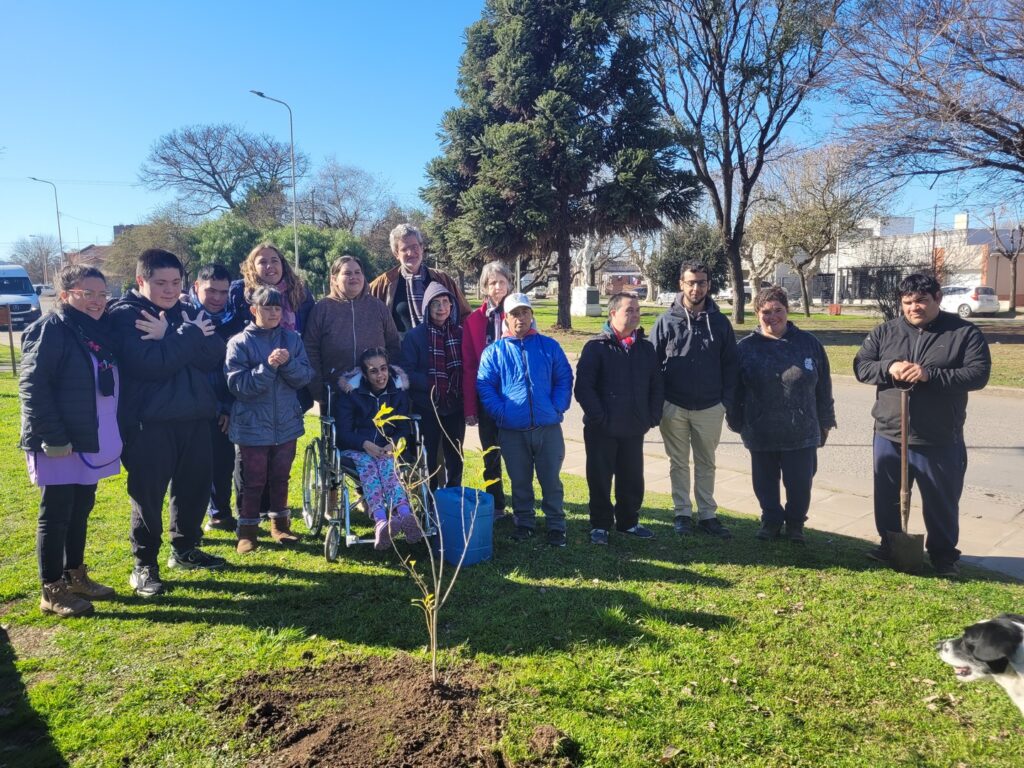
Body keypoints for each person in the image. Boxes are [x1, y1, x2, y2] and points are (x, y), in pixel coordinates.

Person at [853, 273, 991, 577]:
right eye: (907, 302)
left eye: (921, 301)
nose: (914, 307)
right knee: (887, 496)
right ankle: (890, 544)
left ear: (937, 298)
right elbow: (861, 366)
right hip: (889, 432)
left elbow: (978, 375)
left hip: (938, 437)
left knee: (941, 501)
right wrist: (888, 367)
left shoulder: (963, 333)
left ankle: (943, 557)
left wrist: (930, 375)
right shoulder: (885, 332)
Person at [109, 248, 228, 597]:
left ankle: (185, 549)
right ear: (140, 280)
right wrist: (185, 337)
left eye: (176, 282)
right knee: (148, 497)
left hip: (194, 419)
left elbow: (214, 355)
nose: (170, 290)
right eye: (161, 283)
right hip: (150, 423)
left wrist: (171, 337)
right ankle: (144, 564)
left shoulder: (185, 311)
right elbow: (149, 365)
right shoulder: (126, 315)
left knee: (192, 490)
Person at [19, 265, 137, 617]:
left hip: (89, 436)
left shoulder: (94, 331)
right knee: (55, 514)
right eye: (88, 294)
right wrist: (53, 436)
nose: (98, 301)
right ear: (67, 294)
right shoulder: (51, 329)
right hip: (59, 440)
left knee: (81, 509)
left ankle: (75, 576)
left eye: (102, 294)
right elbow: (32, 387)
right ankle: (51, 589)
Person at [727, 287, 836, 543]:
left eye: (778, 310)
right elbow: (735, 390)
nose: (772, 316)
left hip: (802, 429)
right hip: (760, 429)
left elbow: (824, 387)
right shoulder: (745, 348)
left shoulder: (809, 344)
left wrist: (826, 420)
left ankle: (796, 523)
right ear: (757, 314)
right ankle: (771, 520)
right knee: (764, 483)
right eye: (766, 312)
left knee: (800, 484)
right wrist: (737, 421)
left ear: (787, 311)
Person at [476, 293, 574, 547]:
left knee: (550, 479)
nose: (520, 318)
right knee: (519, 480)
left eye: (525, 313)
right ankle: (525, 522)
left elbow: (563, 378)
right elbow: (486, 386)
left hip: (547, 427)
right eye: (515, 314)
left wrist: (557, 406)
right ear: (506, 319)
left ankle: (555, 525)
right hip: (512, 429)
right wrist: (502, 412)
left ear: (532, 315)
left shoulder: (548, 346)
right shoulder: (494, 352)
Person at [651, 261, 738, 539]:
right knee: (678, 462)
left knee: (706, 462)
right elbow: (651, 366)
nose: (696, 287)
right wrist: (659, 402)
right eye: (691, 282)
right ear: (681, 284)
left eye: (701, 282)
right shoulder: (666, 321)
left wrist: (725, 402)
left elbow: (731, 366)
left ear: (708, 285)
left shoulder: (720, 322)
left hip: (711, 407)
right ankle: (682, 513)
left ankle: (708, 514)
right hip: (674, 406)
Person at [225, 287, 313, 553]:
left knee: (280, 477)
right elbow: (238, 386)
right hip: (252, 426)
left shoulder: (292, 339)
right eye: (267, 308)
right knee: (252, 481)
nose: (274, 313)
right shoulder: (238, 343)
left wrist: (287, 364)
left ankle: (281, 527)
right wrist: (269, 366)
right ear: (254, 310)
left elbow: (305, 377)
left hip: (286, 424)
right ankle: (247, 532)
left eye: (278, 308)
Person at [574, 292, 664, 545]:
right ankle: (600, 525)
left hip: (634, 427)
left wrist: (651, 416)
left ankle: (628, 522)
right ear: (613, 313)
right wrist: (600, 417)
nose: (635, 315)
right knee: (600, 478)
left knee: (632, 478)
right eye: (629, 310)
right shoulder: (596, 347)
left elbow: (657, 385)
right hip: (602, 429)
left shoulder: (646, 349)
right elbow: (584, 388)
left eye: (637, 310)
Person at [334, 348, 421, 550]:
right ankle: (381, 520)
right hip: (357, 448)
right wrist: (364, 443)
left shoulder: (397, 392)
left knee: (387, 465)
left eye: (383, 369)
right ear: (364, 374)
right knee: (369, 467)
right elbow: (343, 432)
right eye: (373, 371)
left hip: (386, 448)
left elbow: (403, 427)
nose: (380, 375)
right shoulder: (351, 394)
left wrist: (394, 442)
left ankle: (405, 514)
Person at [189, 264, 247, 533]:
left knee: (222, 463)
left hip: (223, 403)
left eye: (223, 292)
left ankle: (220, 513)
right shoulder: (183, 317)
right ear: (196, 287)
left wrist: (226, 406)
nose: (217, 298)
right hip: (189, 406)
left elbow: (232, 369)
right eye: (210, 290)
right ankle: (188, 523)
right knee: (191, 469)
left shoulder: (235, 321)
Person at [303, 253, 400, 404]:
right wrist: (318, 390)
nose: (353, 277)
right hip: (336, 393)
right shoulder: (322, 309)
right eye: (347, 273)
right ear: (334, 279)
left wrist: (391, 381)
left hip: (376, 392)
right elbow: (310, 350)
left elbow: (393, 344)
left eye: (357, 272)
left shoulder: (377, 307)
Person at [401, 282, 466, 490]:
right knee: (427, 454)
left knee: (455, 453)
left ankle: (453, 494)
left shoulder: (460, 333)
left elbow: (468, 365)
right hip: (427, 404)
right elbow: (406, 371)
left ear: (452, 306)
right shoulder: (415, 336)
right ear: (427, 308)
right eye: (435, 304)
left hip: (454, 404)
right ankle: (428, 496)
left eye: (445, 302)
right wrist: (432, 384)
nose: (441, 308)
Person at [462, 260, 512, 519]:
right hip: (486, 396)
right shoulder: (473, 320)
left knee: (517, 453)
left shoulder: (519, 313)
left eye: (502, 281)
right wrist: (470, 407)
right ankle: (497, 504)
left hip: (513, 397)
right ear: (485, 287)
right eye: (493, 282)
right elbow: (470, 366)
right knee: (491, 452)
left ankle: (523, 504)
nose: (498, 287)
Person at [367, 223, 471, 335]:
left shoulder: (442, 279)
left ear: (421, 248)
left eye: (414, 247)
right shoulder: (384, 283)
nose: (410, 253)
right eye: (404, 249)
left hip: (440, 348)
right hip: (401, 350)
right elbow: (361, 306)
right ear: (396, 254)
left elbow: (465, 315)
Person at [228, 243, 315, 335]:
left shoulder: (300, 291)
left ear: (282, 264)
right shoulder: (239, 291)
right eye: (263, 262)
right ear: (253, 267)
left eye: (274, 261)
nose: (270, 266)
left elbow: (311, 333)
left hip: (294, 348)